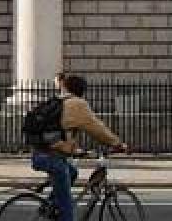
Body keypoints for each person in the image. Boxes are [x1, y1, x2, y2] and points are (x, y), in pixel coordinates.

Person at [30, 74, 128, 221]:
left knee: (72, 173)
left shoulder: (59, 101)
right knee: (67, 208)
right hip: (52, 157)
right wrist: (118, 144)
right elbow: (97, 129)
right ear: (82, 90)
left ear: (66, 87)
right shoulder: (78, 104)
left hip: (40, 153)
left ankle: (50, 207)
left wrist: (77, 151)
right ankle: (59, 209)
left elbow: (62, 133)